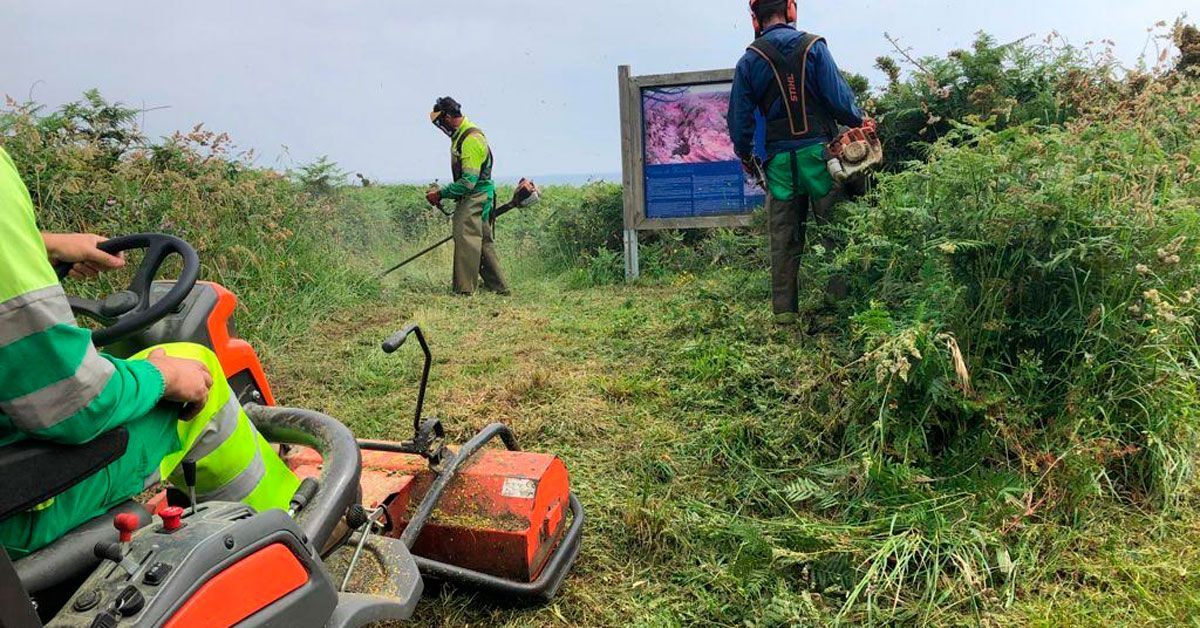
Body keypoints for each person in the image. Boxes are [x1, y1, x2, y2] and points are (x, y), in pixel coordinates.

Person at [0, 146, 299, 558]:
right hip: (21, 504)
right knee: (199, 372)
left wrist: (44, 245)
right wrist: (165, 378)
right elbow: (73, 402)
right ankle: (290, 539)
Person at [727, 0, 870, 327]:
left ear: (755, 19)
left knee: (784, 244)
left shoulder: (750, 60)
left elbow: (740, 122)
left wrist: (747, 156)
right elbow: (839, 101)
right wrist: (860, 119)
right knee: (835, 236)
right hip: (821, 160)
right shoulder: (814, 47)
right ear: (791, 10)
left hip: (780, 166)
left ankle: (786, 320)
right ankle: (838, 312)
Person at [425, 96, 511, 296]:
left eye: (440, 122)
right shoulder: (462, 135)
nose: (441, 127)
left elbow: (468, 182)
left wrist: (441, 194)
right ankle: (499, 287)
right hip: (479, 193)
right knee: (481, 241)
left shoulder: (470, 140)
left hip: (477, 194)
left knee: (465, 235)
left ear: (447, 117)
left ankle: (464, 290)